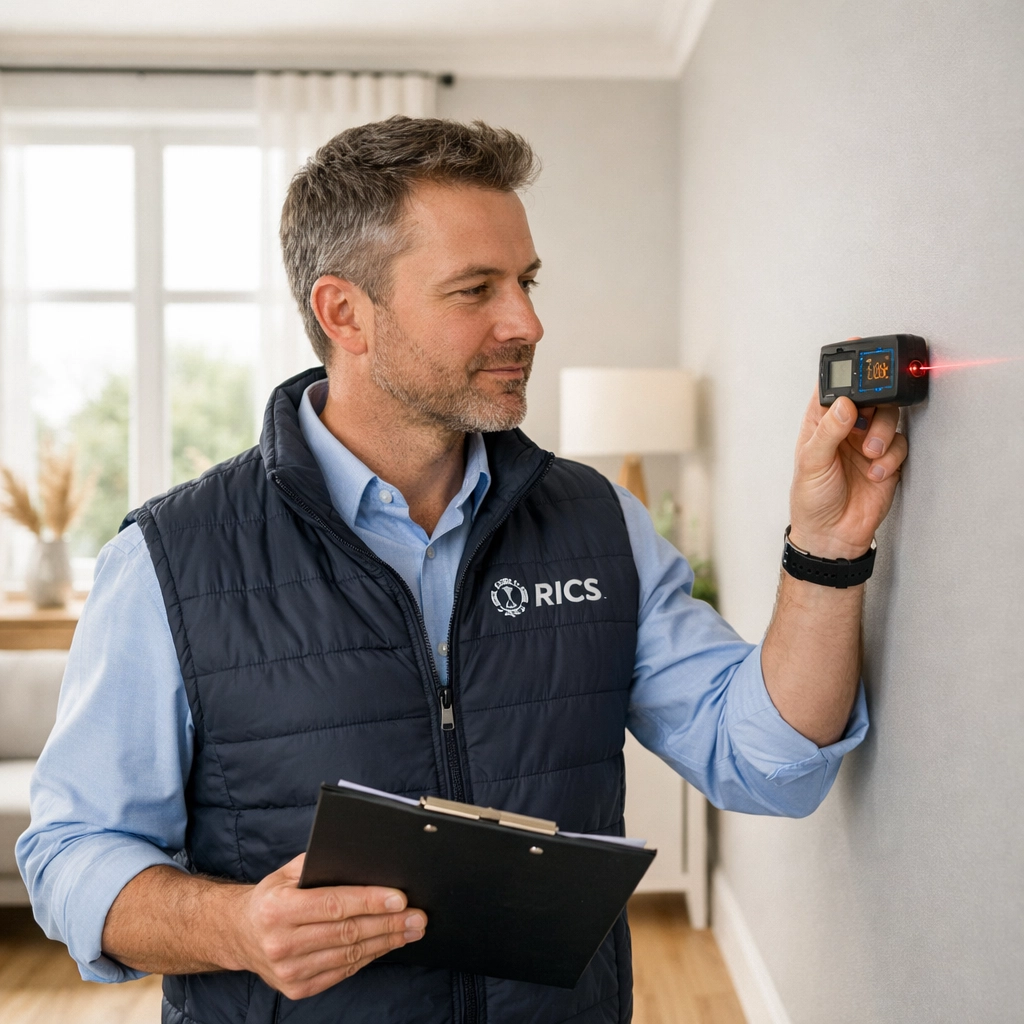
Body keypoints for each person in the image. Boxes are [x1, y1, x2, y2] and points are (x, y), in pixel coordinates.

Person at [17, 117, 904, 1024]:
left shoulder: (600, 525)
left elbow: (770, 765)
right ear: (344, 313)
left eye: (525, 281)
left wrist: (826, 550)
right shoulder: (171, 558)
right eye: (475, 289)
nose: (527, 320)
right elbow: (72, 854)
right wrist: (238, 925)